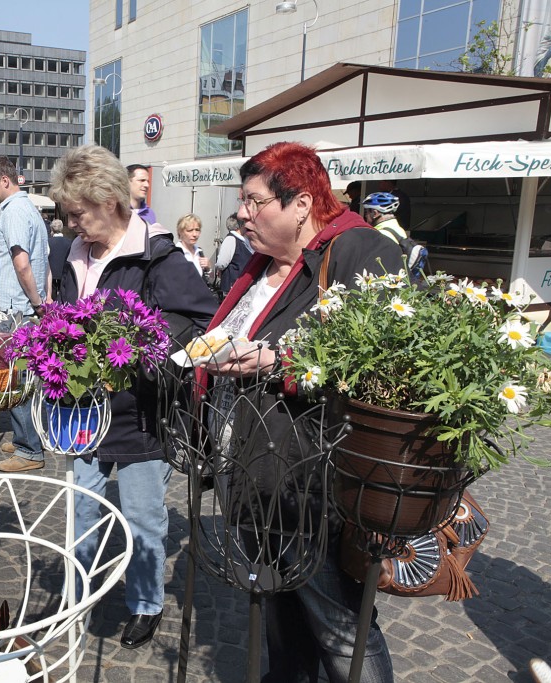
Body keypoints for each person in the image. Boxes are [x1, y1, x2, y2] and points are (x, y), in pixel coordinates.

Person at [201, 141, 402, 682]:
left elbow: (386, 357)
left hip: (314, 479)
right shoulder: (260, 266)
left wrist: (275, 361)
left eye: (255, 201)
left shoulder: (361, 250)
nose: (242, 214)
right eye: (242, 201)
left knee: (340, 627)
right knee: (281, 611)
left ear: (303, 204)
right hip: (254, 473)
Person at [51, 145, 218, 650]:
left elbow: (202, 319)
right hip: (83, 410)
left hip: (142, 414)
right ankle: (78, 593)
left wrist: (144, 343)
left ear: (109, 201)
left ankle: (145, 603)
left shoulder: (158, 256)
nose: (71, 224)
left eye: (77, 213)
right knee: (82, 507)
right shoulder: (74, 253)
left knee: (143, 516)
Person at [0, 155, 49, 472]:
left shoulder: (14, 212)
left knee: (17, 376)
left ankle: (29, 450)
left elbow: (22, 264)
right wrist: (43, 300)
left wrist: (38, 304)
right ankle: (28, 436)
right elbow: (43, 261)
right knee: (26, 375)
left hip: (17, 310)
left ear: (4, 180)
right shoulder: (28, 209)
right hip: (24, 307)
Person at [214, 213, 254, 296]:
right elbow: (221, 263)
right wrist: (219, 268)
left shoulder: (244, 240)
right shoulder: (231, 239)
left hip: (241, 285)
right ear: (240, 225)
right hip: (232, 285)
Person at [46, 218, 73, 302]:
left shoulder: (47, 242)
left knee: (52, 296)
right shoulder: (70, 242)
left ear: (52, 229)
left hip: (51, 273)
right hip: (64, 272)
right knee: (63, 296)